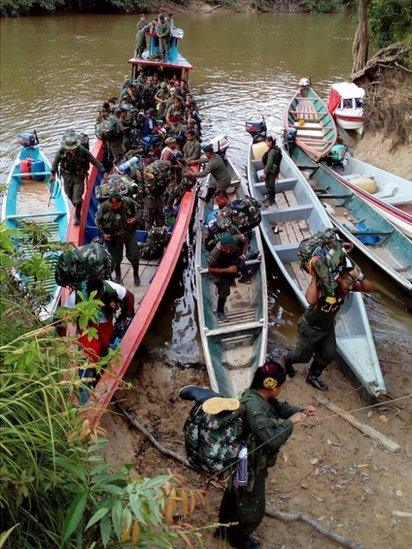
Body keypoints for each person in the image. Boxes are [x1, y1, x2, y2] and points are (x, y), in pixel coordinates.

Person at [217, 361, 315, 548]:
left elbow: (279, 408)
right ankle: (238, 538)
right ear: (272, 387)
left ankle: (222, 529)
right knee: (254, 510)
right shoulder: (254, 406)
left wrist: (301, 411)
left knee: (233, 494)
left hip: (243, 458)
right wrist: (291, 422)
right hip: (246, 465)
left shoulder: (261, 396)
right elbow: (272, 439)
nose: (280, 390)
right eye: (280, 386)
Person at [284, 262, 373, 390]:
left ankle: (312, 377)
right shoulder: (327, 287)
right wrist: (315, 278)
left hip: (327, 327)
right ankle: (287, 359)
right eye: (348, 282)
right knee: (302, 357)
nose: (350, 286)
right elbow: (310, 299)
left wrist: (361, 277)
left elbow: (369, 289)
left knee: (328, 353)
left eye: (352, 283)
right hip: (310, 327)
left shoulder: (348, 287)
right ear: (340, 278)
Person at [77, 278, 135, 362]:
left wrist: (127, 317)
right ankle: (95, 365)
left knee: (106, 342)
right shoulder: (79, 296)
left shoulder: (112, 288)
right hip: (88, 322)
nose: (98, 300)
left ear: (102, 290)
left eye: (99, 296)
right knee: (91, 351)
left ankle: (105, 357)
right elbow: (60, 318)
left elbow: (130, 296)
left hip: (105, 318)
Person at [51, 136, 104, 225]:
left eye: (73, 149)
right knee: (69, 194)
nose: (72, 150)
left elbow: (92, 160)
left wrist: (103, 169)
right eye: (70, 149)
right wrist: (53, 173)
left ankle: (77, 216)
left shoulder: (82, 150)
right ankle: (77, 205)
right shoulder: (61, 151)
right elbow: (55, 162)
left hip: (79, 175)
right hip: (67, 175)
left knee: (77, 198)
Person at [95, 190, 141, 286]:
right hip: (113, 236)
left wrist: (135, 218)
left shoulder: (128, 202)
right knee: (115, 258)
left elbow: (139, 209)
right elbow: (97, 220)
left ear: (121, 201)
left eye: (117, 205)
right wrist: (103, 233)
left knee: (134, 255)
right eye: (113, 205)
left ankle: (136, 275)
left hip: (128, 233)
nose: (115, 207)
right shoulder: (104, 207)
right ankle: (118, 276)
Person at [207, 232, 251, 320]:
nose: (227, 251)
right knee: (224, 291)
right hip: (219, 270)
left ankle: (245, 277)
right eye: (225, 249)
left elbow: (246, 241)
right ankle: (220, 312)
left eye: (229, 249)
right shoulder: (215, 254)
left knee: (242, 263)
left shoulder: (237, 239)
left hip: (231, 260)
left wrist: (243, 255)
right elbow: (210, 270)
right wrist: (227, 270)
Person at [261, 135, 282, 206]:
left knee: (270, 186)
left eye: (266, 142)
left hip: (271, 172)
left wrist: (265, 172)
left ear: (270, 142)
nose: (266, 143)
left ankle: (271, 200)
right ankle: (269, 197)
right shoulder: (277, 149)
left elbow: (269, 163)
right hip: (275, 170)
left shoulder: (272, 152)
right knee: (269, 185)